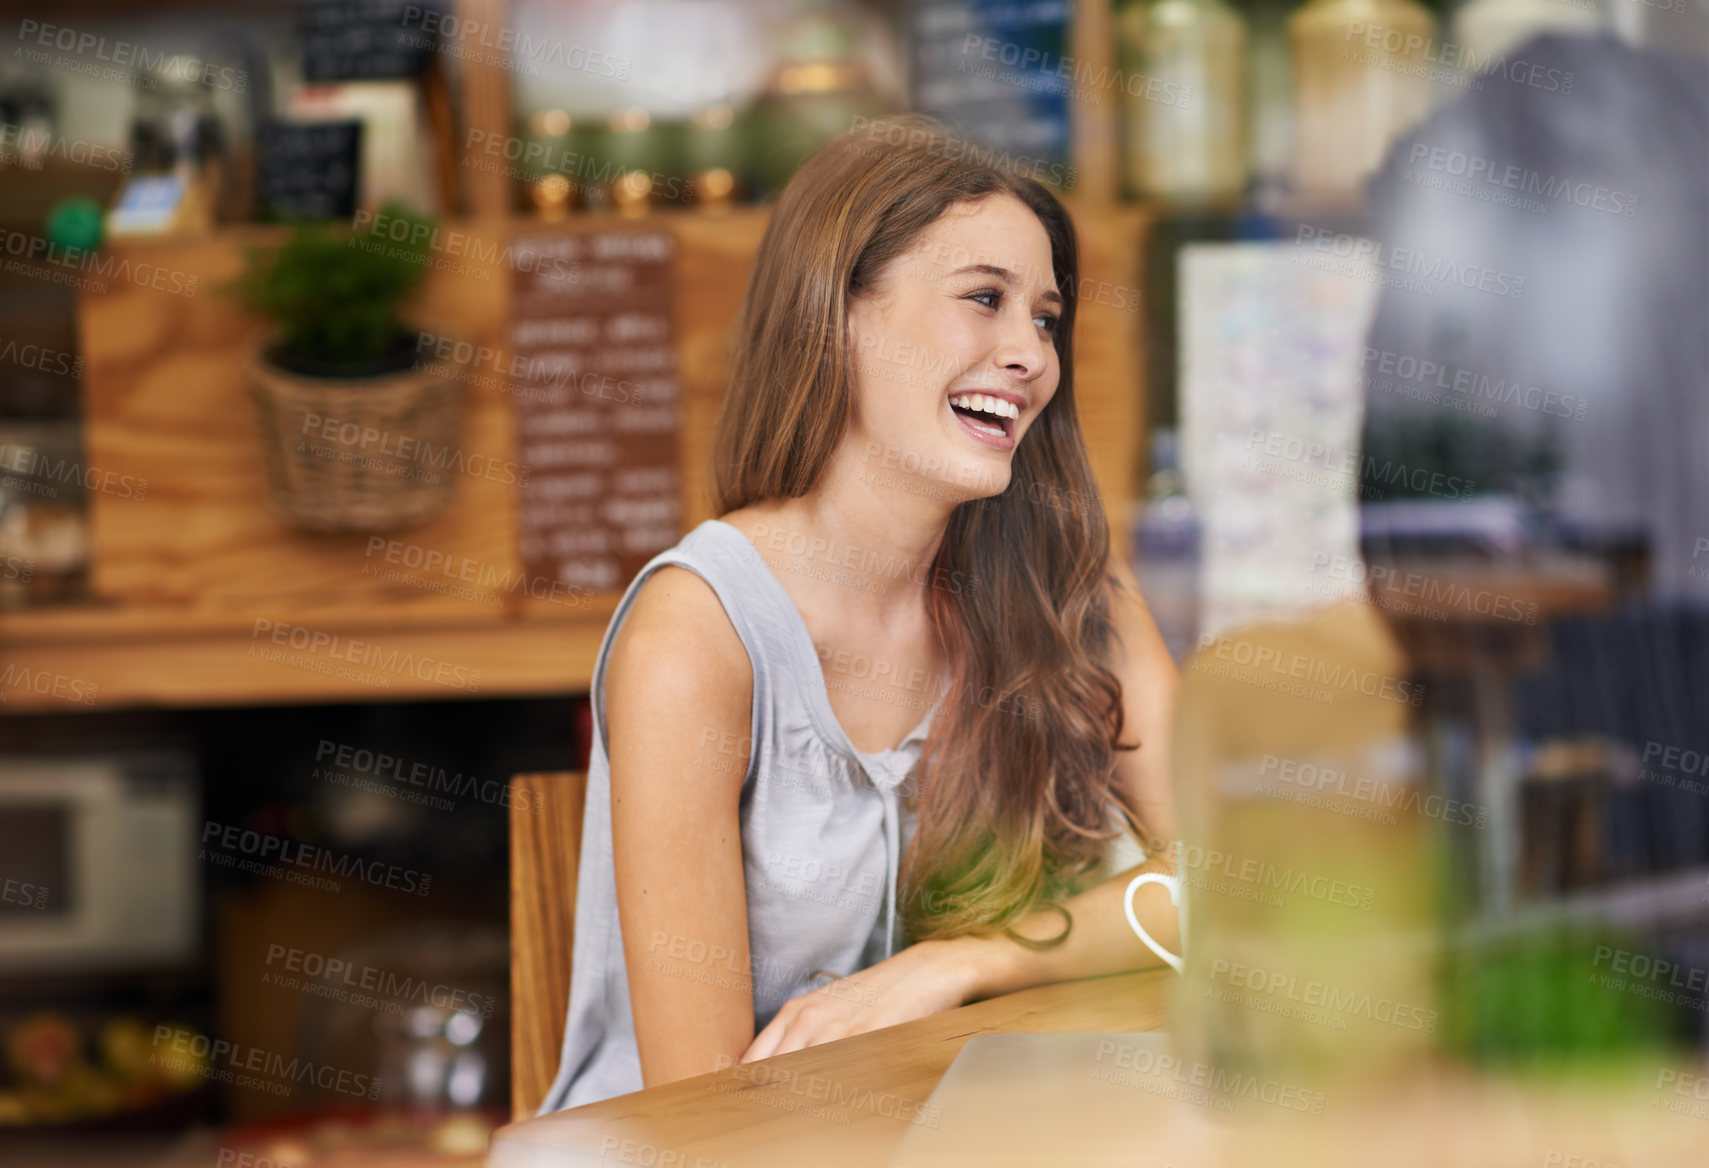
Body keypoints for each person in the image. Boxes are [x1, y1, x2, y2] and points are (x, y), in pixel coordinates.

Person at [538, 114, 1182, 1113]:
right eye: (984, 300)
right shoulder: (696, 634)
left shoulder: (1071, 593)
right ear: (835, 313)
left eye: (1045, 317)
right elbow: (708, 1111)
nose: (1029, 357)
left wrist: (967, 962)